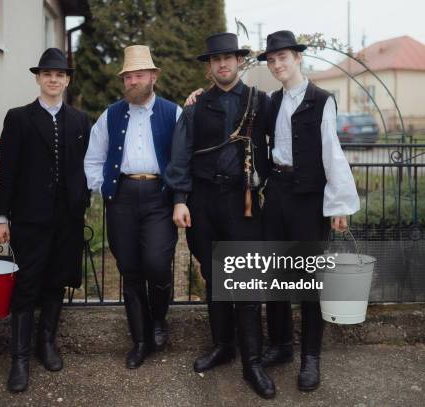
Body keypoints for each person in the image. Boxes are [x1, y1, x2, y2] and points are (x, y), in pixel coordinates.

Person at [165, 32, 275, 399]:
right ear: (209, 67)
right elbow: (180, 156)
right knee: (213, 277)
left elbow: (285, 138)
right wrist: (180, 199)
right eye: (216, 60)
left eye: (229, 58)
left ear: (239, 61)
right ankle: (223, 346)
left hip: (242, 202)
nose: (223, 64)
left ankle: (253, 362)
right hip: (204, 202)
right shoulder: (194, 108)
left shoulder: (261, 102)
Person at [256, 30, 360, 392]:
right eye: (271, 60)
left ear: (298, 58)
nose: (276, 64)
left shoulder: (321, 99)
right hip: (278, 193)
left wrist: (339, 205)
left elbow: (332, 153)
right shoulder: (271, 101)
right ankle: (282, 345)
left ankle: (310, 358)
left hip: (309, 199)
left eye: (282, 57)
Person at [0, 48, 91, 393]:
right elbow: (8, 173)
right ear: (38, 78)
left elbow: (85, 166)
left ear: (67, 80)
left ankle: (45, 345)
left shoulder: (80, 121)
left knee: (56, 281)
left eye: (60, 74)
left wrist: (82, 202)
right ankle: (19, 359)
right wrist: (1, 217)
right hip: (29, 218)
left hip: (67, 218)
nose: (54, 79)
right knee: (27, 285)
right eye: (48, 74)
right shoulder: (18, 118)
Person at [84, 45, 182, 369]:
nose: (132, 81)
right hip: (122, 197)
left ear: (153, 77)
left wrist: (180, 196)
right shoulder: (111, 114)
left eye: (139, 75)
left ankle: (158, 320)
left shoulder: (173, 112)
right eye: (128, 76)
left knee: (156, 263)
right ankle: (139, 340)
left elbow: (183, 159)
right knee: (129, 269)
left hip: (159, 196)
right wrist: (104, 188)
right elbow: (93, 157)